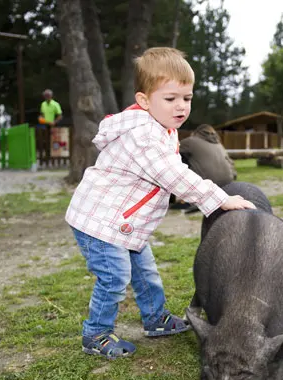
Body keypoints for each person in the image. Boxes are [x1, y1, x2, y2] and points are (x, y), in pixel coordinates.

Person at [64, 47, 256, 360]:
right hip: (99, 222)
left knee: (146, 271)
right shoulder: (142, 133)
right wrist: (219, 199)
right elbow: (173, 175)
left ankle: (156, 319)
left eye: (187, 98)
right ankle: (95, 334)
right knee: (114, 278)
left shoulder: (164, 129)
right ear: (144, 100)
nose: (181, 106)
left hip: (126, 223)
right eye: (171, 99)